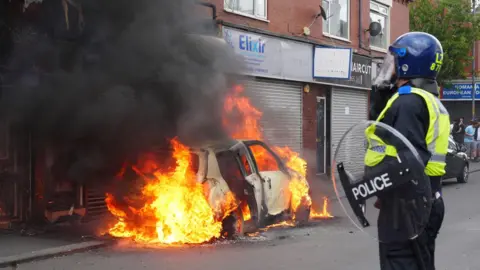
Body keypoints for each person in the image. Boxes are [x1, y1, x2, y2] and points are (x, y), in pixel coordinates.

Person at [367, 32, 449, 270]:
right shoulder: (427, 99)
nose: (389, 67)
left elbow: (409, 161)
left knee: (400, 264)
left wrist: (374, 186)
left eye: (394, 60)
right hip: (424, 200)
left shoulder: (408, 102)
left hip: (405, 208)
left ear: (406, 62)